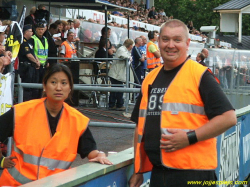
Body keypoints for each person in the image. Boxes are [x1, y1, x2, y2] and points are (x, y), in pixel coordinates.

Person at [129, 19, 236, 187]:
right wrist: (138, 170)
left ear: (187, 43)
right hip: (159, 173)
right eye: (165, 39)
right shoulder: (150, 78)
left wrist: (189, 138)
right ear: (158, 42)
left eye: (177, 40)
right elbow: (139, 126)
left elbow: (229, 118)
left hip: (194, 175)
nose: (170, 45)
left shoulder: (200, 75)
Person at [0, 64, 112, 186]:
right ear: (44, 85)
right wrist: (1, 160)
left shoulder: (77, 121)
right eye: (53, 82)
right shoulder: (22, 112)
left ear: (70, 88)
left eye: (64, 83)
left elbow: (91, 151)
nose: (58, 88)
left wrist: (100, 154)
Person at [108, 39, 134, 111]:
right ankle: (119, 105)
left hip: (117, 74)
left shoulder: (125, 50)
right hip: (116, 74)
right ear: (130, 45)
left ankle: (112, 104)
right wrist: (129, 58)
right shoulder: (121, 49)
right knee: (119, 89)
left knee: (115, 89)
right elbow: (123, 56)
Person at [18, 24, 40, 101]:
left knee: (32, 87)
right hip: (26, 68)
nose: (32, 33)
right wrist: (36, 62)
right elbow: (28, 55)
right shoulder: (23, 42)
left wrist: (37, 61)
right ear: (26, 32)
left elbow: (33, 53)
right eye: (30, 31)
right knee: (27, 87)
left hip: (31, 67)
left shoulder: (29, 42)